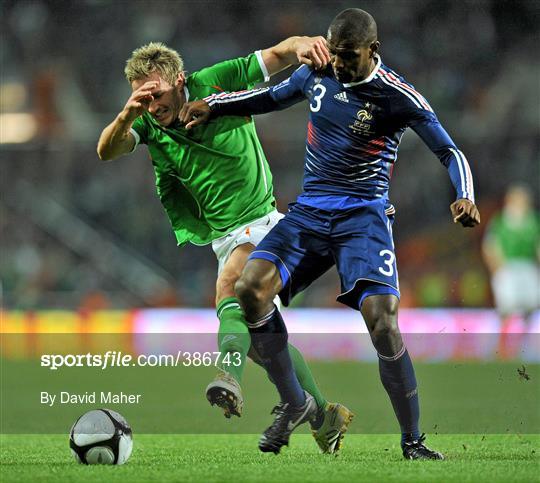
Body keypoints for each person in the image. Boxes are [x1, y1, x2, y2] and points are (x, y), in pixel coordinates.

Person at [181, 8, 481, 458]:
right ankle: (296, 402)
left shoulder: (398, 95)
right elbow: (269, 96)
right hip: (310, 215)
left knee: (382, 321)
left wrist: (465, 195)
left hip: (363, 218)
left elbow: (449, 149)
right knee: (250, 290)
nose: (337, 62)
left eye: (347, 55)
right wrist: (214, 104)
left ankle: (412, 440)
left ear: (372, 51)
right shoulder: (315, 74)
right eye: (334, 52)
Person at [97, 38, 353, 454]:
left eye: (156, 94)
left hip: (262, 222)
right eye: (142, 98)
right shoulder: (144, 122)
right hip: (223, 237)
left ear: (179, 81)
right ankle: (323, 415)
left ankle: (227, 376)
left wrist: (303, 45)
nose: (152, 105)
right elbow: (107, 150)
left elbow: (277, 54)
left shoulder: (215, 81)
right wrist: (128, 113)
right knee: (264, 346)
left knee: (229, 289)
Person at [482, 184, 539, 318]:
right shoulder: (500, 222)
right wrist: (497, 268)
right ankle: (503, 336)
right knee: (507, 307)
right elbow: (490, 247)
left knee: (531, 306)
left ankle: (526, 336)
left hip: (528, 266)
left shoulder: (534, 221)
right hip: (507, 267)